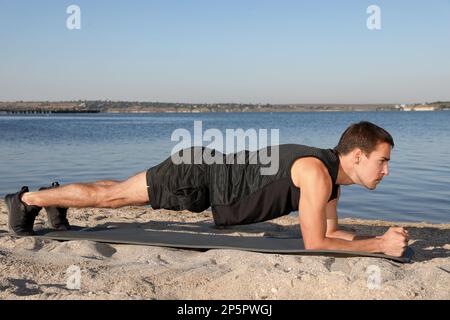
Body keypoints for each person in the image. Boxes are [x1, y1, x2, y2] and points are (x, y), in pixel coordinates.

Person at [4, 121, 409, 257]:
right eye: (382, 160)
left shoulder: (330, 179)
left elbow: (333, 233)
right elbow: (314, 243)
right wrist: (377, 248)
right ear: (356, 155)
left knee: (115, 190)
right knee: (111, 197)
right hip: (197, 175)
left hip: (203, 170)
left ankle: (51, 198)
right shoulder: (318, 173)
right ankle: (25, 200)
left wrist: (381, 238)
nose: (387, 170)